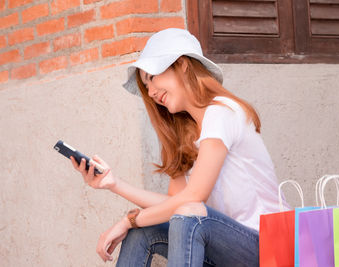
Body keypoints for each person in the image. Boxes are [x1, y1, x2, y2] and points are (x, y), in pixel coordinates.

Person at [70, 28, 289, 267]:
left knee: (187, 218)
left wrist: (128, 220)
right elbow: (171, 204)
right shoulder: (188, 134)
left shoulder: (222, 112)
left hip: (271, 247)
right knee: (145, 231)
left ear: (183, 65)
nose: (151, 92)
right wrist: (113, 184)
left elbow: (193, 198)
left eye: (152, 77)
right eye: (146, 85)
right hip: (227, 247)